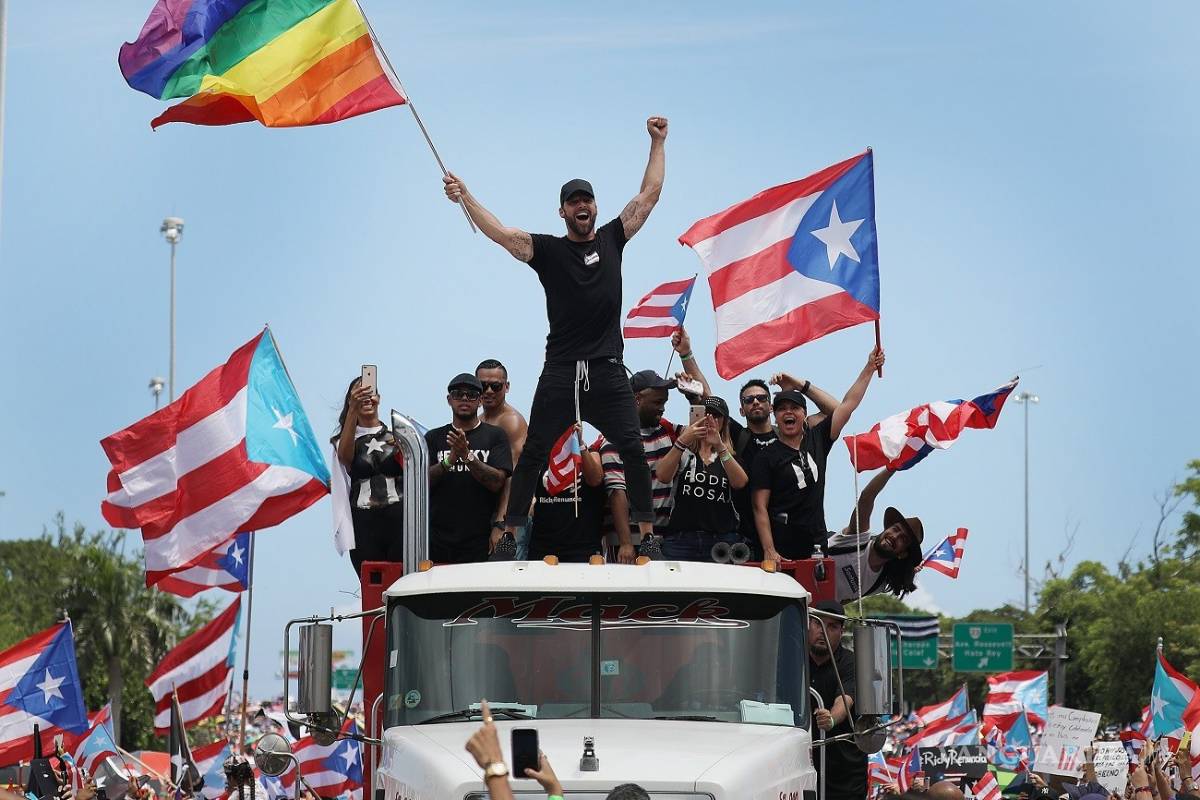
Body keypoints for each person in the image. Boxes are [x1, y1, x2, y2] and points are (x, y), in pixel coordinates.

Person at [442, 116, 669, 558]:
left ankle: (648, 535)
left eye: (587, 200)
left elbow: (649, 196)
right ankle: (510, 535)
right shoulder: (547, 249)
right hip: (563, 368)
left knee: (632, 449)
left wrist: (657, 143)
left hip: (606, 367)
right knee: (534, 454)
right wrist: (464, 196)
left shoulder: (613, 238)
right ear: (562, 211)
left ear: (596, 208)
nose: (581, 206)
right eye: (572, 202)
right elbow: (502, 234)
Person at [751, 347, 885, 561]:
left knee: (815, 594)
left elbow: (847, 405)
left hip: (816, 544)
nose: (788, 412)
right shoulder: (766, 457)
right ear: (775, 417)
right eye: (782, 408)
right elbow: (759, 506)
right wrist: (769, 550)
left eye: (794, 408)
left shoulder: (817, 439)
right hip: (781, 547)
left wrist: (869, 367)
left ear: (805, 415)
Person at [727, 375, 837, 555]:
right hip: (748, 538)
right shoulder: (739, 436)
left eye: (762, 398)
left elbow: (834, 411)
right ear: (741, 409)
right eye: (749, 400)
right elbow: (707, 399)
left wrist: (800, 385)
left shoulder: (792, 432)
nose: (755, 402)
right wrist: (686, 355)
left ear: (771, 408)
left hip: (795, 536)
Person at [426, 374, 513, 563]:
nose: (464, 399)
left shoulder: (496, 436)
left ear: (480, 400)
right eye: (458, 394)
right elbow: (421, 483)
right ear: (449, 400)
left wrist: (467, 456)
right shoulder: (433, 437)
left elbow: (498, 482)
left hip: (481, 540)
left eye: (472, 395)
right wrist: (449, 461)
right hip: (438, 540)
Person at [654, 396, 749, 561]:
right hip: (681, 539)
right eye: (705, 414)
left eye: (716, 416)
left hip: (721, 541)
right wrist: (683, 439)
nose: (709, 420)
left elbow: (740, 483)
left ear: (724, 422)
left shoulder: (729, 457)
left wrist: (720, 446)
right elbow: (662, 475)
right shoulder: (684, 453)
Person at [331, 377, 404, 574]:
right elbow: (345, 459)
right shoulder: (343, 442)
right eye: (359, 394)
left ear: (379, 397)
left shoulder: (397, 437)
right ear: (350, 401)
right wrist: (352, 410)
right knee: (372, 586)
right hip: (365, 524)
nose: (366, 398)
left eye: (370, 392)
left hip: (399, 521)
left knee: (401, 582)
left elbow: (416, 474)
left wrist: (404, 452)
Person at [825, 469, 924, 603]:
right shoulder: (858, 538)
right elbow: (867, 497)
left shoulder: (880, 582)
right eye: (895, 529)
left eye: (903, 539)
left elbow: (844, 600)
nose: (894, 536)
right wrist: (891, 468)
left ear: (902, 554)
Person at [809, 599, 866, 800]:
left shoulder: (852, 662)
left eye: (832, 626)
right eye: (818, 623)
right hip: (800, 769)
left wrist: (831, 718)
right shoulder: (793, 659)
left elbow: (846, 699)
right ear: (808, 625)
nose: (824, 631)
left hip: (845, 776)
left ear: (841, 632)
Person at [527, 425, 606, 562]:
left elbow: (595, 479)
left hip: (583, 548)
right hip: (544, 548)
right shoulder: (539, 457)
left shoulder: (591, 453)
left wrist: (580, 444)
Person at [476, 359, 530, 557]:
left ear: (506, 387)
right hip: (486, 512)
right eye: (483, 386)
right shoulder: (479, 421)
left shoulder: (511, 421)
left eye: (496, 386)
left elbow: (514, 474)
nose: (489, 391)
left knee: (506, 577)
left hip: (510, 518)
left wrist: (502, 523)